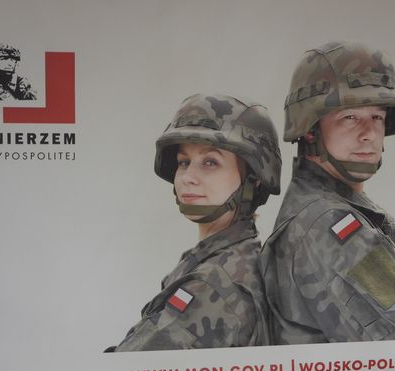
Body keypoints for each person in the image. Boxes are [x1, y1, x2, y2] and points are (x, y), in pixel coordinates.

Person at [260, 41, 395, 345]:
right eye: (350, 117)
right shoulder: (328, 223)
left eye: (377, 117)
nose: (369, 133)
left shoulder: (349, 207)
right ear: (310, 129)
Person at [111, 93, 281, 351]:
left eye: (210, 162)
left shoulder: (215, 283)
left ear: (254, 179)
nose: (188, 176)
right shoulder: (229, 257)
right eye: (184, 162)